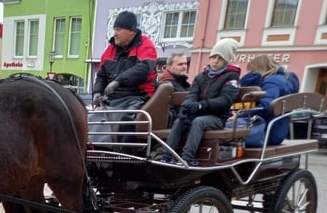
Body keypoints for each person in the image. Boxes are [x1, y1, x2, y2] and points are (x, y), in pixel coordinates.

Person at [162, 38, 241, 165]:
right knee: (180, 121)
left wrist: (200, 105)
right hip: (200, 113)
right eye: (213, 57)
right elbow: (192, 95)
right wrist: (186, 107)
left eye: (220, 58)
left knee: (199, 122)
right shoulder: (201, 76)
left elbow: (225, 100)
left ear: (226, 60)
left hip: (218, 117)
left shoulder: (232, 76)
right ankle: (166, 156)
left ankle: (187, 158)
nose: (215, 61)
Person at [89, 11, 158, 146]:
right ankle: (92, 150)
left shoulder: (146, 45)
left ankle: (120, 156)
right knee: (92, 118)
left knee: (124, 119)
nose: (115, 33)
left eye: (119, 29)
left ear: (131, 31)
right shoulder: (110, 50)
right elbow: (102, 75)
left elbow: (144, 68)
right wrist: (97, 92)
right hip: (113, 98)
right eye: (114, 29)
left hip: (138, 96)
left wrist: (118, 81)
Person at [238, 55, 300, 146]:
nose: (251, 73)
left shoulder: (272, 81)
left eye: (252, 71)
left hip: (267, 133)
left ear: (259, 69)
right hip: (278, 130)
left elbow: (266, 106)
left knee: (227, 129)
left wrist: (240, 115)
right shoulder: (284, 80)